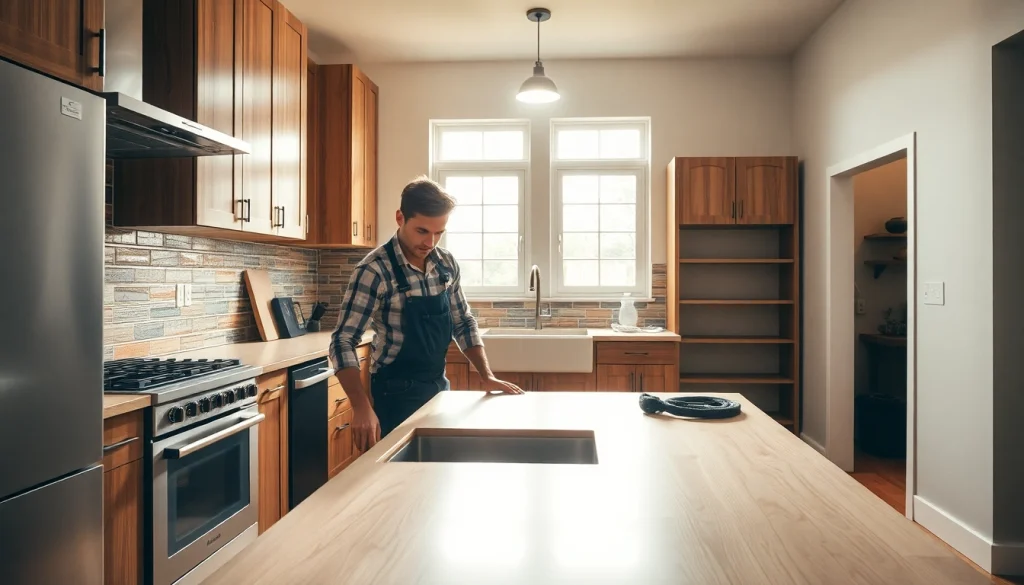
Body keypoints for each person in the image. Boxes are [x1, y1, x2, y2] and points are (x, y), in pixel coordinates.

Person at [330, 176, 524, 451]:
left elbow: (463, 321)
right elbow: (343, 340)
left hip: (437, 387)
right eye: (422, 231)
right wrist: (361, 407)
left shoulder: (445, 264)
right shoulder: (373, 271)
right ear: (400, 218)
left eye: (439, 233)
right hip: (394, 394)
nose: (429, 242)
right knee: (395, 480)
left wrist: (486, 374)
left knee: (436, 470)